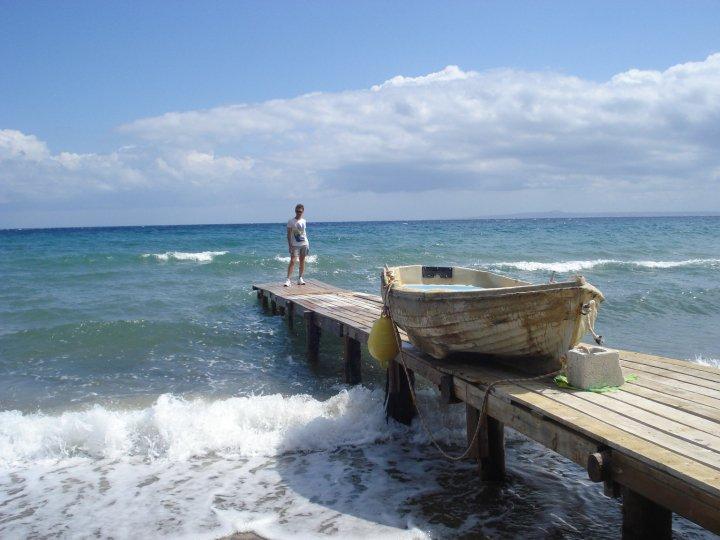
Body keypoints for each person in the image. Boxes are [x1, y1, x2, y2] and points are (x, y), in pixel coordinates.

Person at [285, 204, 309, 286]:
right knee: (292, 261)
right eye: (297, 211)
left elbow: (304, 233)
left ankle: (300, 278)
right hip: (294, 244)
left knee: (302, 261)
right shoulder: (291, 221)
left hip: (304, 243)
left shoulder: (304, 221)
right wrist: (289, 245)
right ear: (295, 211)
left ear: (303, 211)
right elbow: (288, 234)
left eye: (300, 211)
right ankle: (288, 279)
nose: (299, 213)